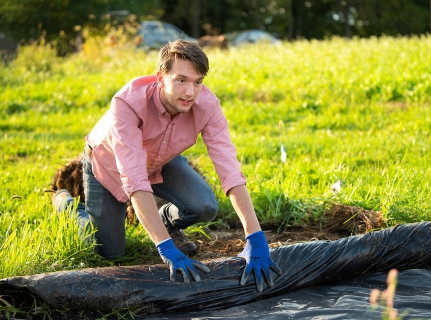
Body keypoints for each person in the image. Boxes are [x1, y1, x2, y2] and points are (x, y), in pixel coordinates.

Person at [52, 39, 282, 292]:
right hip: (109, 165)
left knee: (204, 206)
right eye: (181, 80)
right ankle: (68, 205)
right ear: (161, 78)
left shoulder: (207, 106)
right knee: (110, 251)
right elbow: (134, 179)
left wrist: (255, 237)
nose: (190, 93)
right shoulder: (127, 104)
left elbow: (229, 170)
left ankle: (165, 222)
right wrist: (165, 249)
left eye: (197, 82)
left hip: (161, 159)